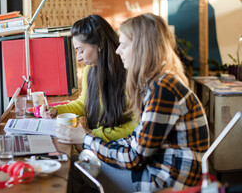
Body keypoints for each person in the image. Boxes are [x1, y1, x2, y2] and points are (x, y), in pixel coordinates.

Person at [61, 13, 210, 192]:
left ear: (141, 48)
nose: (117, 50)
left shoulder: (162, 89)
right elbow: (135, 140)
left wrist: (86, 139)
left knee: (74, 169)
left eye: (123, 45)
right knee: (80, 164)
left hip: (166, 180)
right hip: (159, 169)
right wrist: (90, 140)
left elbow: (134, 158)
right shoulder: (158, 83)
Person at [40, 14, 137, 143]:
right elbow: (83, 103)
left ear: (99, 44)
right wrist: (56, 110)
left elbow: (136, 125)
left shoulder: (131, 75)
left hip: (120, 146)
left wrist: (92, 134)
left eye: (80, 51)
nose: (78, 58)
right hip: (94, 143)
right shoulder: (90, 71)